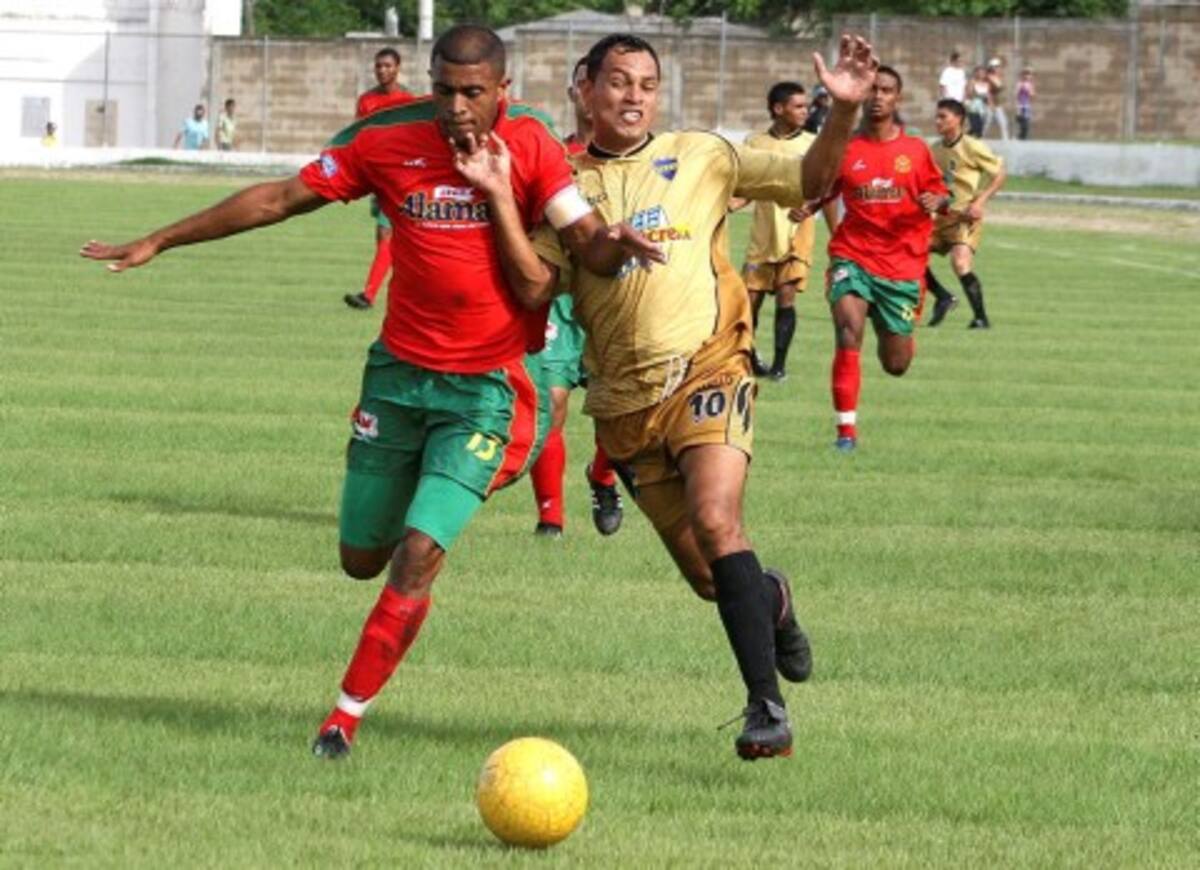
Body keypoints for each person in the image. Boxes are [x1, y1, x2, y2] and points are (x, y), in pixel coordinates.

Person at [80, 24, 658, 761]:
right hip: (395, 381)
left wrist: (608, 240)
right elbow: (280, 199)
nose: (456, 107)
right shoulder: (386, 138)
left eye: (473, 93)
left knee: (418, 552)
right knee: (361, 557)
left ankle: (341, 721)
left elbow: (579, 251)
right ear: (429, 79)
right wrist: (161, 238)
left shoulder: (532, 147)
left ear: (502, 91)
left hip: (483, 389)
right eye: (444, 89)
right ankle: (403, 525)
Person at [463, 32, 877, 759]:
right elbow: (535, 285)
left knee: (720, 522)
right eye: (618, 81)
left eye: (646, 84)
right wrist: (500, 196)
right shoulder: (559, 185)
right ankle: (771, 600)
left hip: (710, 367)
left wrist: (839, 114)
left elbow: (811, 179)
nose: (633, 96)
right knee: (712, 578)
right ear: (583, 88)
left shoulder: (703, 153)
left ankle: (766, 712)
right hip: (624, 406)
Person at [824, 65, 949, 452]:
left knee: (896, 364)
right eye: (873, 90)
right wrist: (807, 204)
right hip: (853, 254)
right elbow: (822, 189)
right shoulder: (844, 146)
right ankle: (846, 434)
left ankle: (892, 321)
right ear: (862, 95)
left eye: (887, 90)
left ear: (898, 98)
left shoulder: (915, 151)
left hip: (902, 265)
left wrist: (938, 200)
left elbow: (942, 194)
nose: (878, 96)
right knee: (847, 331)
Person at [528, 56, 624, 538]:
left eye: (601, 84)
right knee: (552, 403)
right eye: (582, 84)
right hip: (563, 303)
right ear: (574, 94)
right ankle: (551, 520)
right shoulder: (552, 156)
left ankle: (603, 475)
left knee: (621, 412)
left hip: (615, 300)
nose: (591, 93)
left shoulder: (637, 163)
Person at [732, 81, 833, 382]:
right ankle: (748, 360)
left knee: (786, 298)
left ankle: (779, 365)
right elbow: (748, 185)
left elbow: (825, 188)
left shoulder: (813, 144)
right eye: (799, 106)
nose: (806, 111)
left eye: (806, 106)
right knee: (748, 301)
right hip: (763, 235)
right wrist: (732, 202)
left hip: (796, 233)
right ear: (778, 109)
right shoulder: (754, 143)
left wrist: (811, 207)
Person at [343, 47, 417, 311]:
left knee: (387, 233)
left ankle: (369, 295)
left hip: (400, 178)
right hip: (377, 177)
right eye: (378, 66)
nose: (382, 70)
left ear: (398, 68)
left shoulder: (408, 101)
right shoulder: (366, 101)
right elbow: (357, 137)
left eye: (387, 66)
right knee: (389, 237)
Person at [924, 99, 1006, 330]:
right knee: (911, 253)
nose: (937, 121)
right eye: (937, 116)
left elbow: (1000, 174)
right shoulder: (935, 149)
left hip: (965, 216)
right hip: (940, 216)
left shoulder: (972, 146)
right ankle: (943, 297)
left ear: (958, 119)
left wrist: (980, 201)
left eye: (943, 117)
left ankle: (981, 318)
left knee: (960, 262)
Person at [984, 58, 1008, 140]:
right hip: (990, 104)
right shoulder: (988, 77)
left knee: (1003, 123)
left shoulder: (998, 77)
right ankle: (980, 139)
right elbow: (987, 92)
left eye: (998, 66)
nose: (998, 68)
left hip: (998, 104)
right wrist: (990, 104)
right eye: (996, 66)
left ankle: (1006, 141)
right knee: (986, 124)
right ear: (991, 67)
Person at [966, 66, 989, 137]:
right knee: (976, 127)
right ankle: (967, 138)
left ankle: (967, 137)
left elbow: (987, 96)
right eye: (980, 72)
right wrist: (978, 95)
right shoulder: (973, 82)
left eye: (983, 73)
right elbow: (969, 93)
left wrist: (987, 100)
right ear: (976, 73)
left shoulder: (986, 84)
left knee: (979, 128)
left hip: (982, 108)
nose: (981, 74)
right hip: (974, 106)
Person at [1015, 67, 1035, 140]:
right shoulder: (1020, 84)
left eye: (1029, 74)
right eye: (1026, 74)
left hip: (1027, 105)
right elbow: (1017, 94)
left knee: (1026, 122)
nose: (1027, 76)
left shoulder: (1030, 85)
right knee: (1021, 121)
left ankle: (1023, 136)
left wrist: (1030, 92)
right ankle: (1020, 136)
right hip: (1021, 104)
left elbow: (1032, 95)